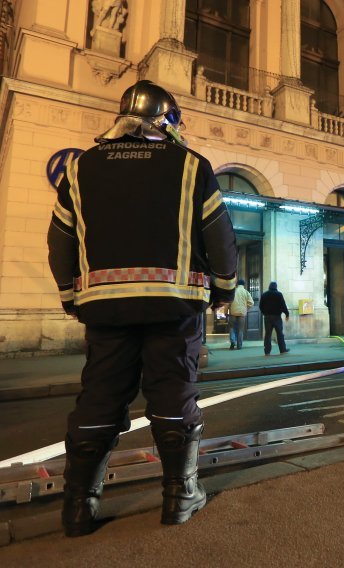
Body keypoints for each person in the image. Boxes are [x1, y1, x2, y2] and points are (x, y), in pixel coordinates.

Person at [47, 80, 238, 536]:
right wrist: (224, 289)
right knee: (172, 393)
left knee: (100, 397)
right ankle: (179, 496)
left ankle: (79, 507)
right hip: (173, 305)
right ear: (168, 122)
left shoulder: (81, 167)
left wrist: (70, 295)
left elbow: (60, 241)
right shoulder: (190, 166)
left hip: (106, 310)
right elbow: (220, 237)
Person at [260, 281, 290, 355]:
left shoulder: (264, 294)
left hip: (267, 317)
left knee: (268, 334)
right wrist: (287, 314)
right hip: (277, 317)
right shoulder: (279, 294)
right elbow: (283, 305)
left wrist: (264, 313)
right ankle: (282, 350)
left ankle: (267, 352)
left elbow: (260, 306)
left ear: (269, 286)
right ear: (276, 287)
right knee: (280, 334)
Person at [227, 279, 254, 350]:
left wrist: (226, 311)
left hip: (233, 312)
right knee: (240, 330)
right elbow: (251, 303)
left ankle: (233, 341)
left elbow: (228, 302)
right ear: (243, 284)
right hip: (242, 313)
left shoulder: (233, 291)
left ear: (237, 284)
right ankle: (239, 346)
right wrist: (246, 308)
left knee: (231, 327)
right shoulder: (246, 292)